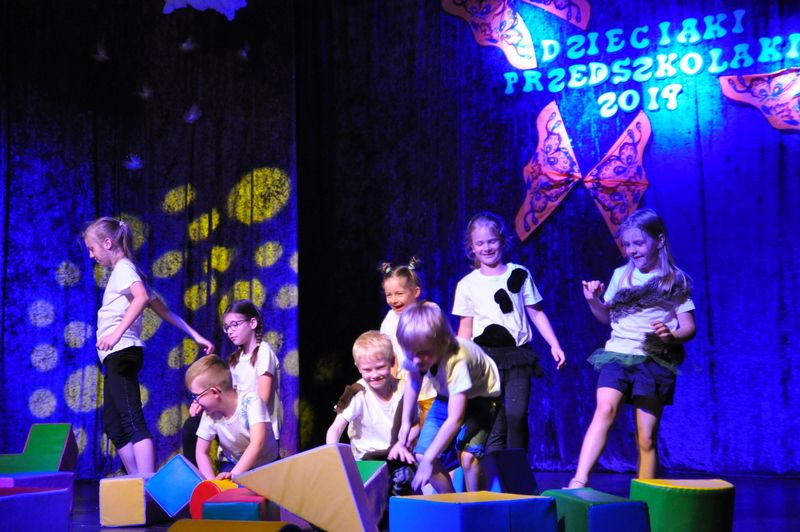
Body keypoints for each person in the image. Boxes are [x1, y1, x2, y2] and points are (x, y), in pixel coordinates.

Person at [567, 208, 696, 488]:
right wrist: (592, 300)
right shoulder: (620, 275)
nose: (632, 250)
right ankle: (579, 480)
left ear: (659, 241)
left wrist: (671, 336)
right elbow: (606, 317)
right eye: (627, 245)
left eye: (639, 243)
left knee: (646, 436)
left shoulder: (674, 280)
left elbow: (688, 326)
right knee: (604, 410)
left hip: (653, 359)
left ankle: (645, 495)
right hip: (618, 354)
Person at [82, 216, 214, 474]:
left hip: (121, 351)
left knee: (131, 419)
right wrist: (196, 335)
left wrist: (116, 334)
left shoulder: (124, 268)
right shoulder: (125, 272)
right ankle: (136, 480)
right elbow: (164, 311)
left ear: (107, 243)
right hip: (117, 355)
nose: (91, 255)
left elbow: (141, 298)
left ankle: (145, 483)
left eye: (92, 248)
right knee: (113, 424)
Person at [452, 211, 565, 454]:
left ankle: (518, 467)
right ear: (471, 247)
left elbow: (537, 313)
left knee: (516, 414)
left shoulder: (519, 274)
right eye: (480, 243)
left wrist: (554, 344)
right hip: (485, 358)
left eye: (492, 241)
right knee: (495, 421)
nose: (487, 248)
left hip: (517, 356)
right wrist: (459, 360)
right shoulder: (467, 284)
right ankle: (497, 472)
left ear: (502, 241)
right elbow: (466, 327)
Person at [389, 302, 501, 493]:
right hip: (448, 394)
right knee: (422, 455)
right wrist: (406, 422)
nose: (416, 360)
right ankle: (451, 502)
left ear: (442, 343)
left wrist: (430, 459)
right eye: (411, 353)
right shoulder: (416, 349)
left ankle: (476, 505)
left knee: (468, 458)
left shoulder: (457, 361)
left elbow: (455, 419)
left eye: (423, 353)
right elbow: (414, 380)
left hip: (482, 396)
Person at [183, 300, 283, 465]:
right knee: (192, 426)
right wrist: (202, 401)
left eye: (235, 325)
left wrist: (238, 415)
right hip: (236, 427)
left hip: (257, 424)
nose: (230, 331)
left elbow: (262, 399)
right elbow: (228, 394)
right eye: (227, 327)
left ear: (252, 323)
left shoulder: (264, 352)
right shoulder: (235, 359)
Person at [185, 354, 279, 480]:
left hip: (266, 464)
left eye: (196, 396)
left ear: (214, 392)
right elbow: (201, 453)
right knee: (227, 487)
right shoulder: (210, 414)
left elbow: (257, 443)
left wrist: (233, 476)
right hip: (233, 463)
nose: (195, 401)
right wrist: (213, 484)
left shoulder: (251, 402)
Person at [378, 258, 436, 417]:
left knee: (428, 426)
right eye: (388, 295)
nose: (393, 300)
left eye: (399, 294)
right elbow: (392, 357)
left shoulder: (428, 310)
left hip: (430, 386)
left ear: (415, 292)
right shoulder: (389, 320)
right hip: (404, 387)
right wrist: (390, 385)